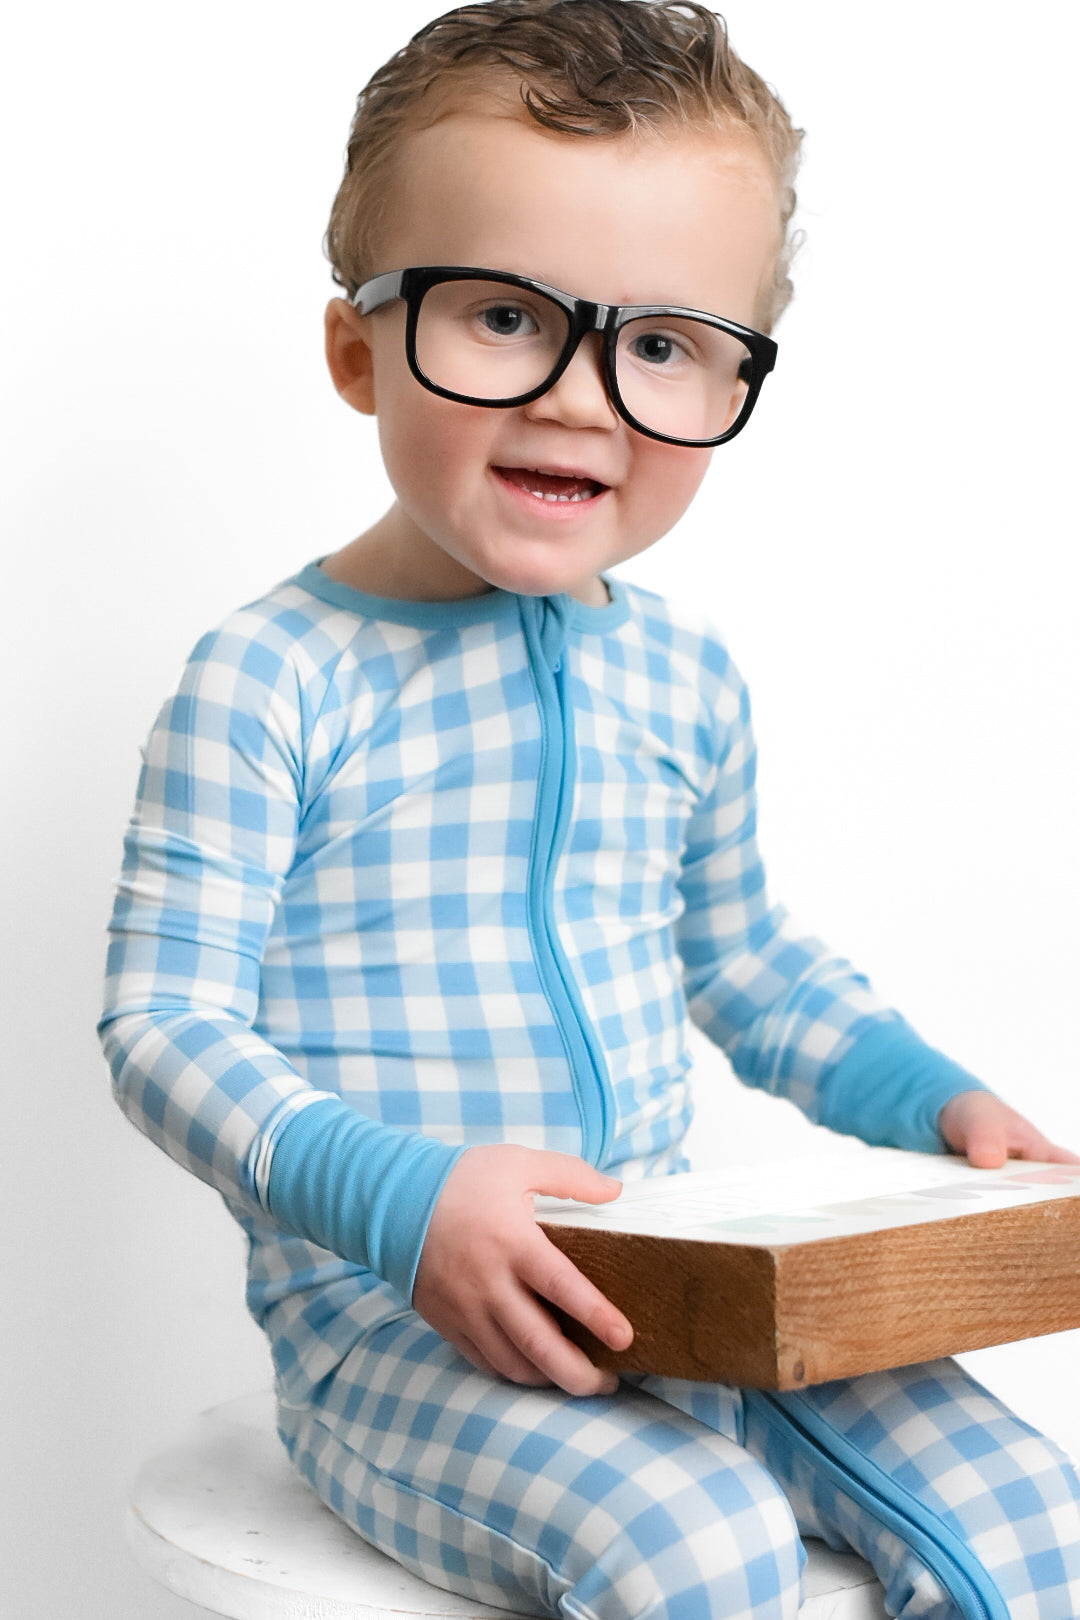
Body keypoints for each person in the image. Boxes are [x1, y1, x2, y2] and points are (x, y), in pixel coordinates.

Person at [98, 2, 1080, 1615]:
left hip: (684, 1285)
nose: (582, 399)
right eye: (502, 316)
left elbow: (747, 962)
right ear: (357, 347)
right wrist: (402, 1205)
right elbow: (163, 1029)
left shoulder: (681, 677)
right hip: (399, 1321)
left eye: (666, 344)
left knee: (1036, 1514)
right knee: (700, 1547)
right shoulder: (271, 678)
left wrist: (937, 1099)